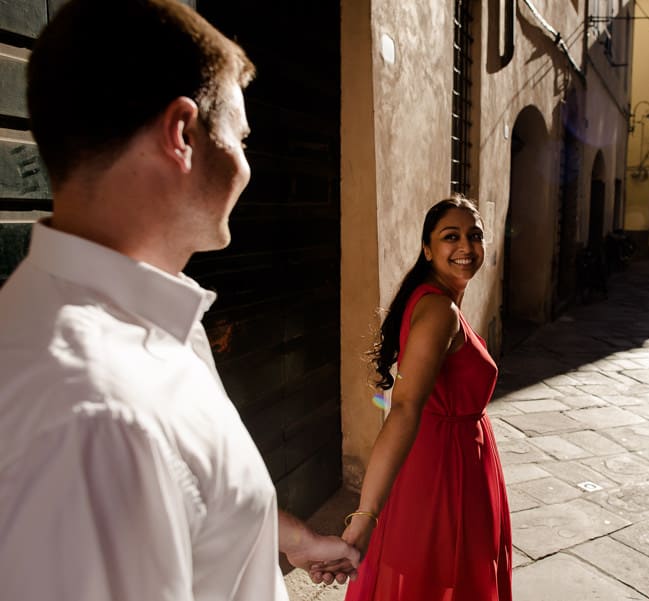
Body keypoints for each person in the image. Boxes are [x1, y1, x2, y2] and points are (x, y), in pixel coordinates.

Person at [0, 1, 357, 599]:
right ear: (183, 135)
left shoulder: (149, 322)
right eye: (239, 139)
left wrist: (284, 536)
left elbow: (189, 489)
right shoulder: (98, 416)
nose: (246, 165)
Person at [342, 196, 512, 601]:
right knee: (440, 576)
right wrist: (366, 515)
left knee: (432, 575)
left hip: (447, 457)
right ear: (427, 248)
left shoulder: (434, 299)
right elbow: (402, 405)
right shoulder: (439, 311)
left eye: (475, 235)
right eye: (450, 236)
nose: (466, 247)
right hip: (445, 466)